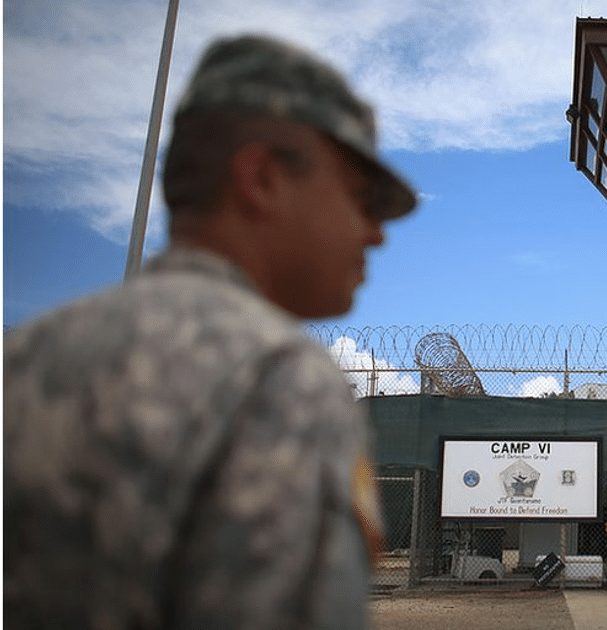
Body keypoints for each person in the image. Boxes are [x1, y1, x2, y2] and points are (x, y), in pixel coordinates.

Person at [4, 33, 417, 629]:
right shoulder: (278, 379)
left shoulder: (22, 359)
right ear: (264, 178)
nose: (376, 233)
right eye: (361, 196)